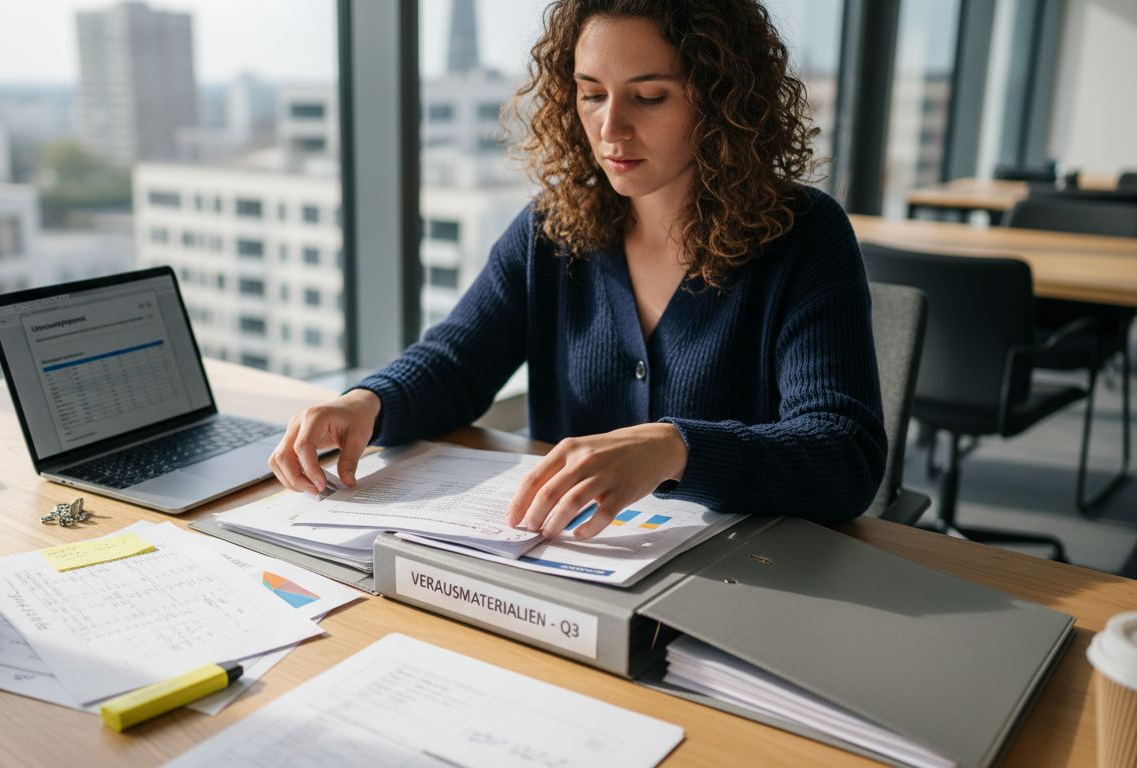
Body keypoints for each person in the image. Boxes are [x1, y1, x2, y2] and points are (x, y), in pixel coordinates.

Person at [269, 0, 886, 540]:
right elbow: (456, 364)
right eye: (592, 94)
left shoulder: (804, 235)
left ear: (723, 98)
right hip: (568, 561)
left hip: (742, 576)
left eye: (649, 96)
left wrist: (676, 448)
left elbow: (843, 453)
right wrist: (367, 402)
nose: (610, 128)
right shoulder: (552, 228)